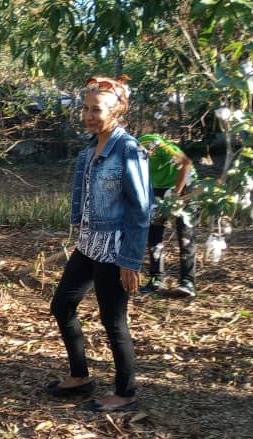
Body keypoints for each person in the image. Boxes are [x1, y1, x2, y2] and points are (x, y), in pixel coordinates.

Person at [45, 75, 150, 412]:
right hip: (89, 243)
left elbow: (141, 207)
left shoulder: (128, 148)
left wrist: (131, 260)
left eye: (97, 110)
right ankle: (80, 376)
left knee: (113, 320)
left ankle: (125, 392)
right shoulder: (88, 150)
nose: (89, 115)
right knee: (62, 305)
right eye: (86, 109)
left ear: (117, 110)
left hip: (115, 246)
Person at [137, 134, 197, 297]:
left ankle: (188, 282)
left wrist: (176, 196)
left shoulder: (151, 143)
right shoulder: (119, 156)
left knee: (185, 233)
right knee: (154, 232)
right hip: (157, 187)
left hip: (184, 183)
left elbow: (185, 163)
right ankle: (157, 280)